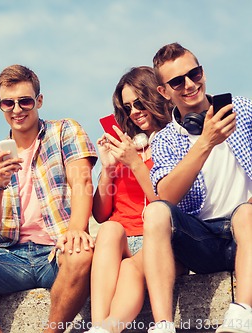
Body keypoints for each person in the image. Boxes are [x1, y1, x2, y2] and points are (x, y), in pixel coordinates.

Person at [0, 64, 98, 333]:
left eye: (24, 101)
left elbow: (81, 182)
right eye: (7, 103)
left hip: (55, 251)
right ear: (0, 106)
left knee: (80, 254)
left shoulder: (65, 131)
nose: (17, 110)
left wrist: (75, 230)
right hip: (11, 257)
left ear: (39, 101)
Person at [143, 42, 252, 333]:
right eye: (178, 81)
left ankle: (242, 314)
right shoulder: (166, 139)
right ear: (164, 92)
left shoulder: (241, 109)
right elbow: (165, 197)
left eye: (195, 73)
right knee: (155, 212)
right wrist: (205, 142)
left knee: (246, 214)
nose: (190, 84)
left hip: (248, 229)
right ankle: (163, 325)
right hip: (203, 240)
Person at [86, 66, 171, 333]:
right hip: (122, 237)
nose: (134, 111)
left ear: (155, 96)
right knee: (109, 228)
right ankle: (98, 327)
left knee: (129, 268)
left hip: (157, 240)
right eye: (127, 107)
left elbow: (164, 202)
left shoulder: (172, 142)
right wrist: (108, 169)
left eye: (139, 102)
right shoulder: (125, 147)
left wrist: (136, 163)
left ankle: (105, 328)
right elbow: (100, 214)